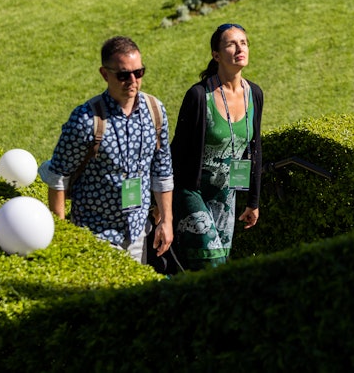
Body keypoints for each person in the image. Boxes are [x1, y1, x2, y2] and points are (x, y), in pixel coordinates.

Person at [38, 36, 174, 264]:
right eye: (123, 75)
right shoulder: (85, 119)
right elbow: (58, 177)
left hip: (139, 232)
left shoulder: (155, 111)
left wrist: (166, 221)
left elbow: (162, 171)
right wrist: (60, 233)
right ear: (104, 74)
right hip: (95, 233)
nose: (132, 80)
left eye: (138, 72)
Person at [170, 23, 263, 270]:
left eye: (243, 42)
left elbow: (256, 148)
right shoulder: (199, 96)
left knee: (219, 264)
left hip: (227, 194)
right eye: (231, 44)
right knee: (211, 259)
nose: (239, 48)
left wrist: (253, 200)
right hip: (193, 191)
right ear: (216, 55)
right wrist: (162, 202)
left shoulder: (254, 93)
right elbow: (177, 150)